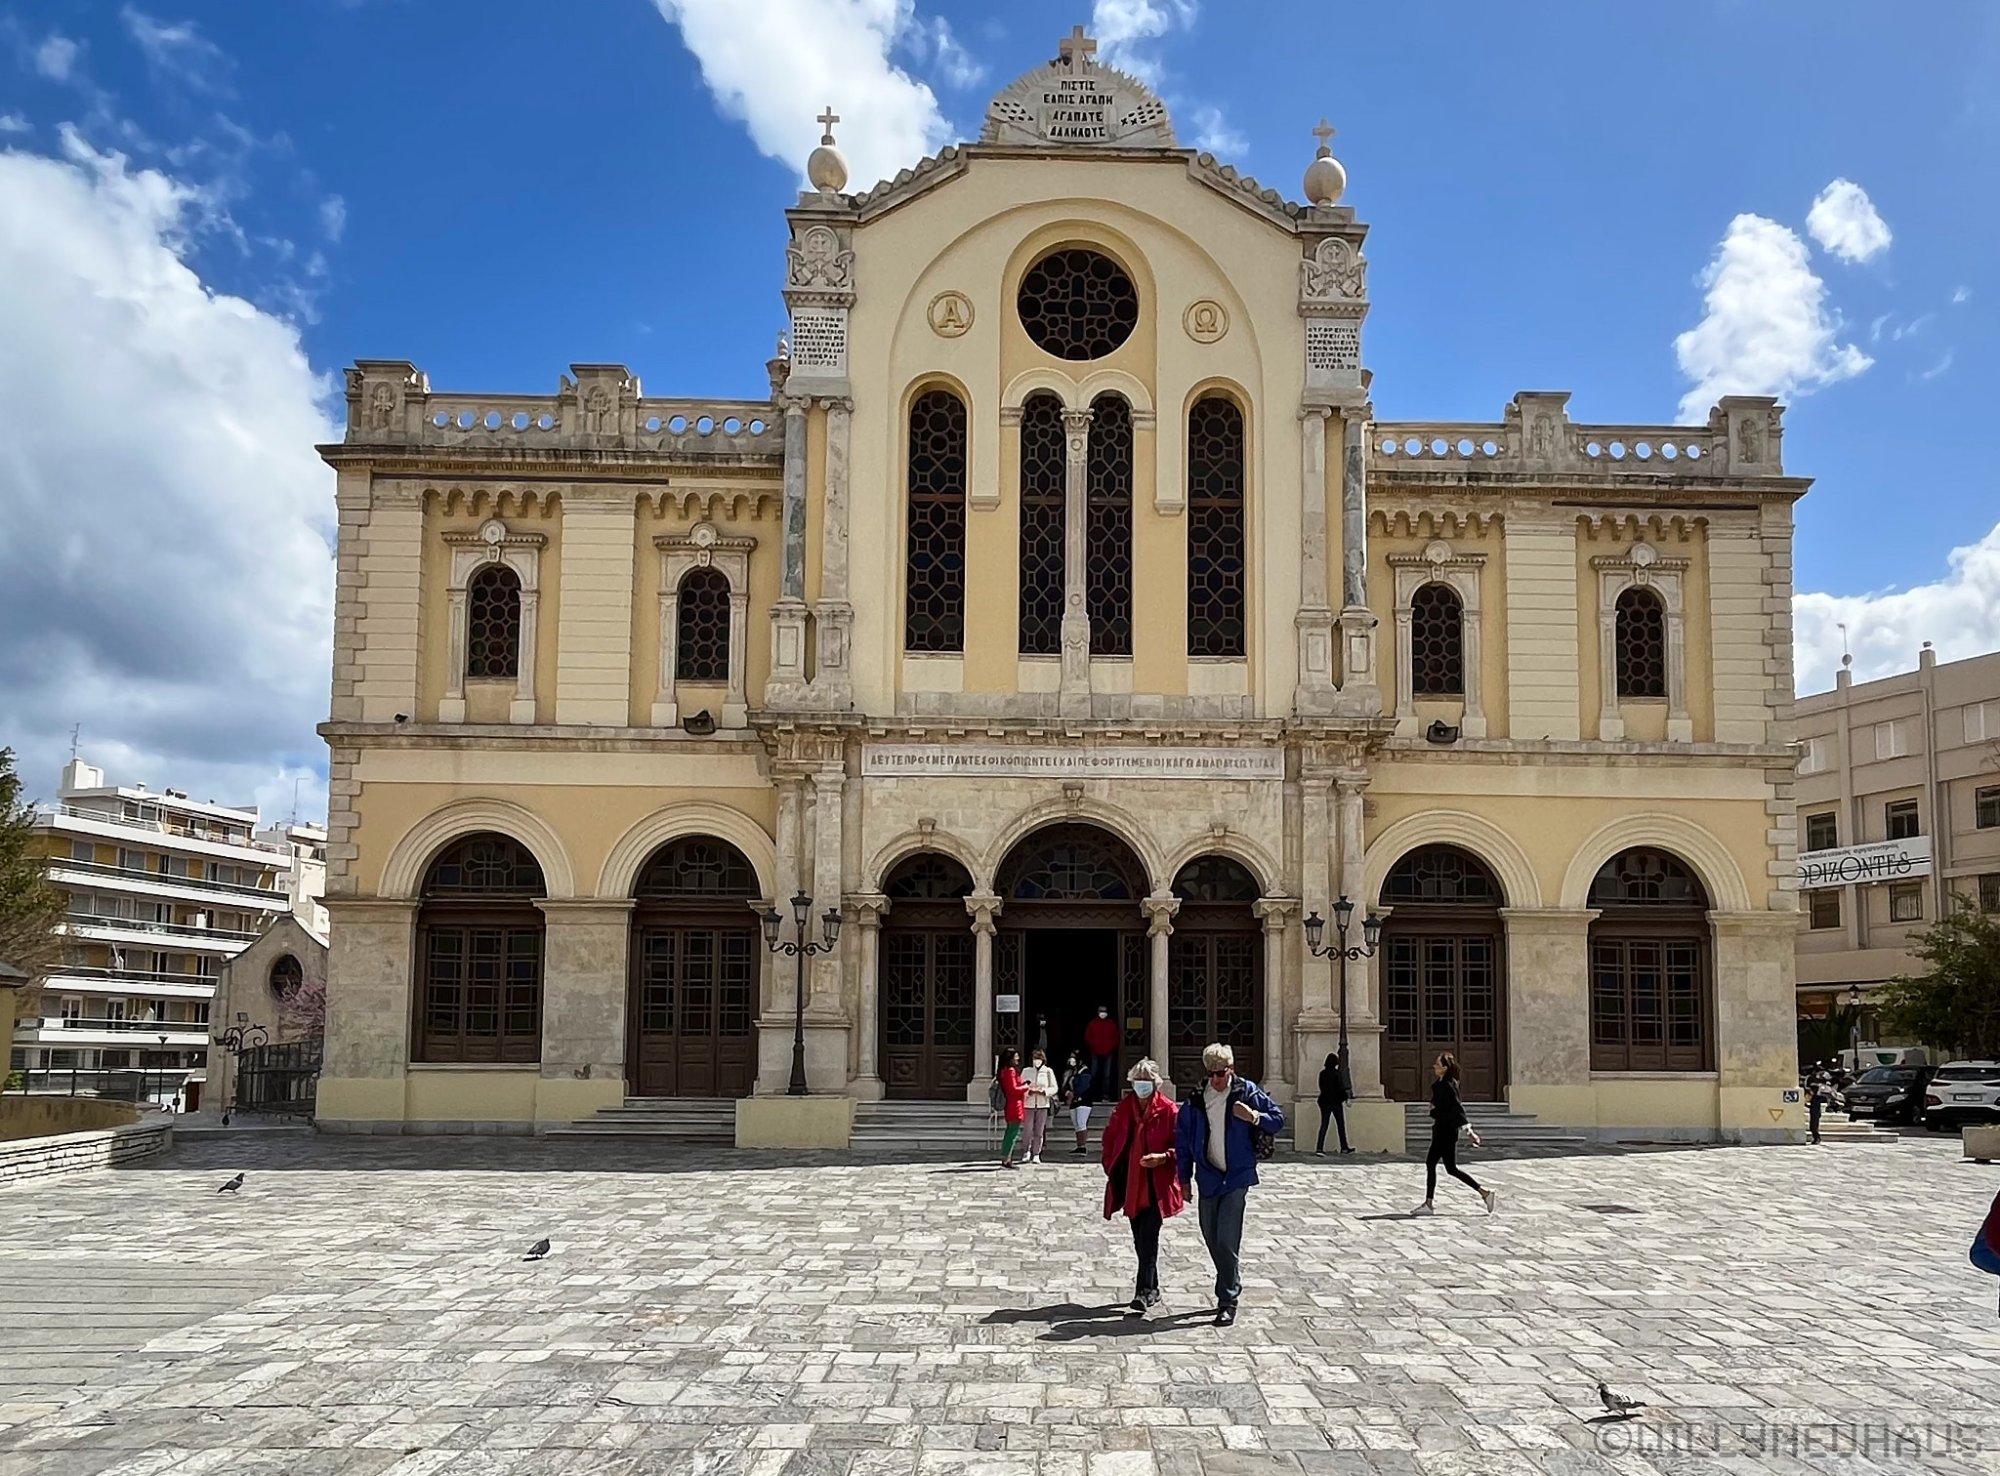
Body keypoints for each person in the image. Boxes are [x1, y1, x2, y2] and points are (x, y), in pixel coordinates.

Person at [1175, 1041, 1284, 1327]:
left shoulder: (1247, 1091)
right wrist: (1183, 1179)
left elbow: (1277, 1119)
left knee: (1226, 1238)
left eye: (1220, 1074)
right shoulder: (1196, 1099)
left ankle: (1227, 1299)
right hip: (1208, 1177)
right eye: (1210, 1074)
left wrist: (1254, 1116)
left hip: (1237, 1176)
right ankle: (1230, 1279)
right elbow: (1183, 1141)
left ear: (1231, 1070)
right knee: (1211, 1236)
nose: (1215, 1079)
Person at [1101, 1058, 1184, 1314]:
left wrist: (1163, 1157)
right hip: (1130, 1183)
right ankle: (1154, 1287)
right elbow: (1109, 1138)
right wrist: (1111, 1164)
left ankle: (1143, 1292)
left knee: (1148, 1237)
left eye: (1146, 1081)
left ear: (1156, 1084)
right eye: (1138, 1081)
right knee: (1140, 1239)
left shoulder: (1169, 1110)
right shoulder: (1124, 1109)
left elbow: (1182, 1147)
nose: (1142, 1086)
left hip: (1155, 1185)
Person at [1412, 1052, 1495, 1216]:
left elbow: (1457, 1109)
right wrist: (1434, 1108)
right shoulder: (1439, 1085)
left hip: (1446, 1132)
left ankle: (1429, 1204)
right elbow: (1440, 1106)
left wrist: (1469, 1131)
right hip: (1441, 1130)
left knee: (1432, 1163)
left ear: (1444, 1068)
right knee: (1450, 1168)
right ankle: (1484, 1193)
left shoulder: (1449, 1086)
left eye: (1437, 1064)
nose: (1434, 1066)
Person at [1022, 1047, 1059, 1164]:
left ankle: (1036, 1153)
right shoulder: (1026, 1071)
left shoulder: (1048, 1071)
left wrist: (1044, 1092)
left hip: (1043, 1104)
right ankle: (1026, 1151)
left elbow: (1054, 1087)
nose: (1036, 1061)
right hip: (1029, 1104)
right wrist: (1029, 1091)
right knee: (1028, 1130)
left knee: (1039, 1130)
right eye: (1034, 1058)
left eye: (1038, 1058)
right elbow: (1021, 1086)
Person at [1315, 1048, 1353, 1155]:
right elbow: (1340, 1088)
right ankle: (1344, 1147)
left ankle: (1319, 1148)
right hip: (1335, 1102)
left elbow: (1321, 1086)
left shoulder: (1322, 1073)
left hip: (1324, 1101)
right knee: (1340, 1125)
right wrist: (1345, 1098)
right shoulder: (1337, 1074)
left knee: (1324, 1125)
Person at [996, 1049, 1027, 1169]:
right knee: (1012, 1133)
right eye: (1016, 1057)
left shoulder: (1004, 1071)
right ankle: (1006, 1159)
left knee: (1010, 1132)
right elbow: (1013, 1089)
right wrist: (1025, 1087)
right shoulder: (1010, 1071)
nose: (1018, 1059)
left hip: (1011, 1104)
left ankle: (1006, 1157)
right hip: (1015, 1104)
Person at [1084, 1006, 1120, 1103]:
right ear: (1098, 1012)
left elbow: (1116, 1037)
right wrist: (1093, 1045)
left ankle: (1105, 1096)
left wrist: (1111, 1046)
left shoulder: (1111, 1024)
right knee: (1094, 1074)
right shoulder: (1093, 1024)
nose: (1103, 1013)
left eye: (1104, 1011)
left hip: (1108, 1053)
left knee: (1106, 1075)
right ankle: (1092, 1095)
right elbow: (1087, 1036)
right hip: (1095, 1052)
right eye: (1101, 1011)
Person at [1060, 1053, 1094, 1154]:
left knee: (1081, 1123)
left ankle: (1083, 1146)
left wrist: (1074, 1095)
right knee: (1076, 1125)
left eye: (1074, 1058)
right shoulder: (1070, 1072)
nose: (1071, 1060)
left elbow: (1083, 1087)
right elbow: (1064, 1085)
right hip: (1073, 1102)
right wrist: (1067, 1093)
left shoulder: (1085, 1072)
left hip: (1084, 1101)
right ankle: (1079, 1146)